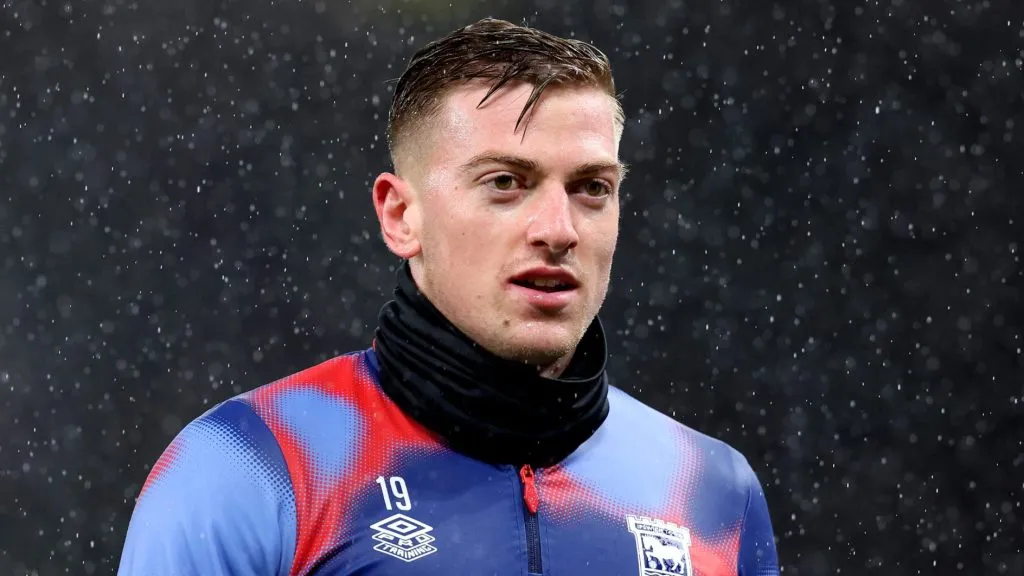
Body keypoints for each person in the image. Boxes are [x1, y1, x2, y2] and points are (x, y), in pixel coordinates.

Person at [118, 17, 779, 576]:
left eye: (591, 188)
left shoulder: (712, 491)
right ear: (401, 216)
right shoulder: (249, 467)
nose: (557, 229)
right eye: (505, 182)